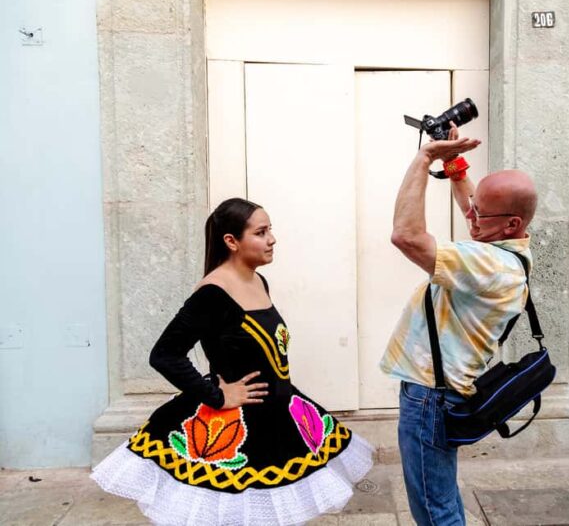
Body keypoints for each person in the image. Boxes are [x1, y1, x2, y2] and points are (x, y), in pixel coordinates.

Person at [92, 198, 374, 526]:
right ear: (232, 241)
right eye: (261, 232)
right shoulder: (212, 293)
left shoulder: (258, 281)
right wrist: (218, 395)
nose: (272, 239)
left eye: (271, 230)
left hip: (280, 416)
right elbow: (165, 355)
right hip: (236, 424)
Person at [381, 125, 538, 525]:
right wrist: (454, 165)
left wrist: (424, 159)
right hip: (440, 393)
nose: (469, 213)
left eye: (480, 212)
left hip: (430, 398)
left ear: (511, 224)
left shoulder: (490, 265)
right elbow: (475, 205)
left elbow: (406, 236)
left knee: (436, 513)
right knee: (442, 499)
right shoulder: (507, 250)